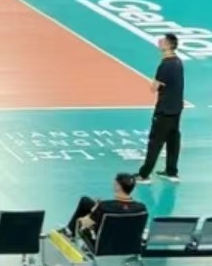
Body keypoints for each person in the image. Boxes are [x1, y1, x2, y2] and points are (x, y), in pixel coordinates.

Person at [137, 32, 185, 184]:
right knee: (173, 140)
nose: (159, 41)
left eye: (163, 41)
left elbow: (154, 87)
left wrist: (155, 83)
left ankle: (144, 175)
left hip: (164, 109)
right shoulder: (178, 62)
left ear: (169, 45)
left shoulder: (165, 65)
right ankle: (172, 172)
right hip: (176, 108)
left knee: (155, 142)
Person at [68, 172, 143, 246]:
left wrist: (94, 212)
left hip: (105, 245)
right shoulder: (141, 208)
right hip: (127, 244)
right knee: (86, 201)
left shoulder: (105, 206)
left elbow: (85, 223)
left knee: (82, 222)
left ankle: (69, 232)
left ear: (118, 186)